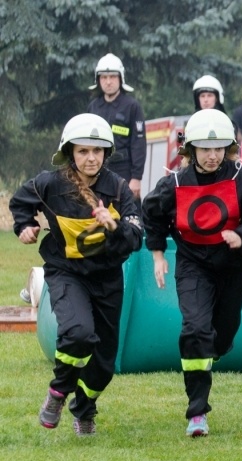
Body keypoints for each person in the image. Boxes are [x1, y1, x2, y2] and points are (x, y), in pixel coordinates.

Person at [9, 113, 143, 435]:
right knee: (79, 333)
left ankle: (83, 409)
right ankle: (57, 393)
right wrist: (24, 226)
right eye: (83, 151)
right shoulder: (50, 183)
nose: (91, 158)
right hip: (66, 272)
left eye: (97, 151)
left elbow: (136, 236)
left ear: (106, 154)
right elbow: (20, 203)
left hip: (107, 277)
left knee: (105, 365)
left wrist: (115, 225)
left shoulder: (119, 190)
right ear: (70, 152)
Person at [142, 109, 242, 437]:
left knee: (221, 337)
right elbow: (152, 214)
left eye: (218, 149)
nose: (212, 156)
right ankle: (197, 412)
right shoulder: (175, 182)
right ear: (191, 150)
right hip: (192, 265)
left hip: (233, 267)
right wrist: (158, 255)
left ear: (228, 149)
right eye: (205, 149)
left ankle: (215, 347)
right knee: (196, 331)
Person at [87, 53, 147, 202]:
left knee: (128, 217)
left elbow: (138, 144)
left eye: (112, 77)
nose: (108, 82)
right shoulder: (93, 107)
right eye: (104, 77)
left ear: (120, 78)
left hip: (124, 171)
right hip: (97, 170)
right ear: (98, 80)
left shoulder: (132, 106)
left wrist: (136, 178)